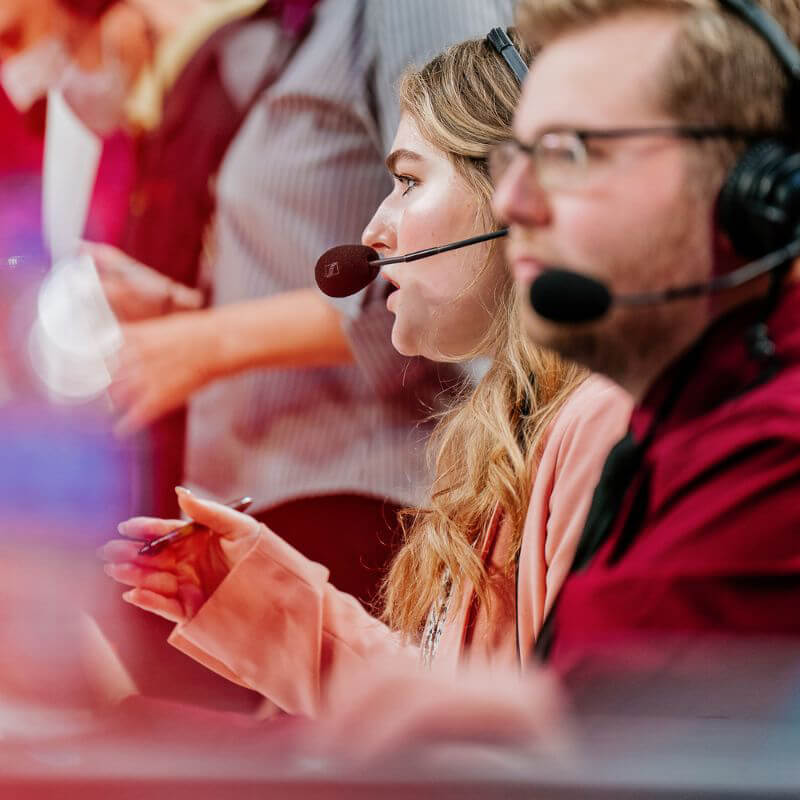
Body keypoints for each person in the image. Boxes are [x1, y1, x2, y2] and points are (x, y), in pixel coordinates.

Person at [99, 30, 632, 718]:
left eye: (409, 182)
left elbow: (554, 744)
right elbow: (451, 703)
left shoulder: (597, 425)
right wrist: (257, 597)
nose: (375, 229)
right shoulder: (505, 428)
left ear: (519, 204)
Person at [490, 0, 800, 675]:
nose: (509, 201)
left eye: (568, 151)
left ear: (754, 191)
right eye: (515, 156)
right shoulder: (678, 429)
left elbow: (584, 757)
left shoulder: (777, 460)